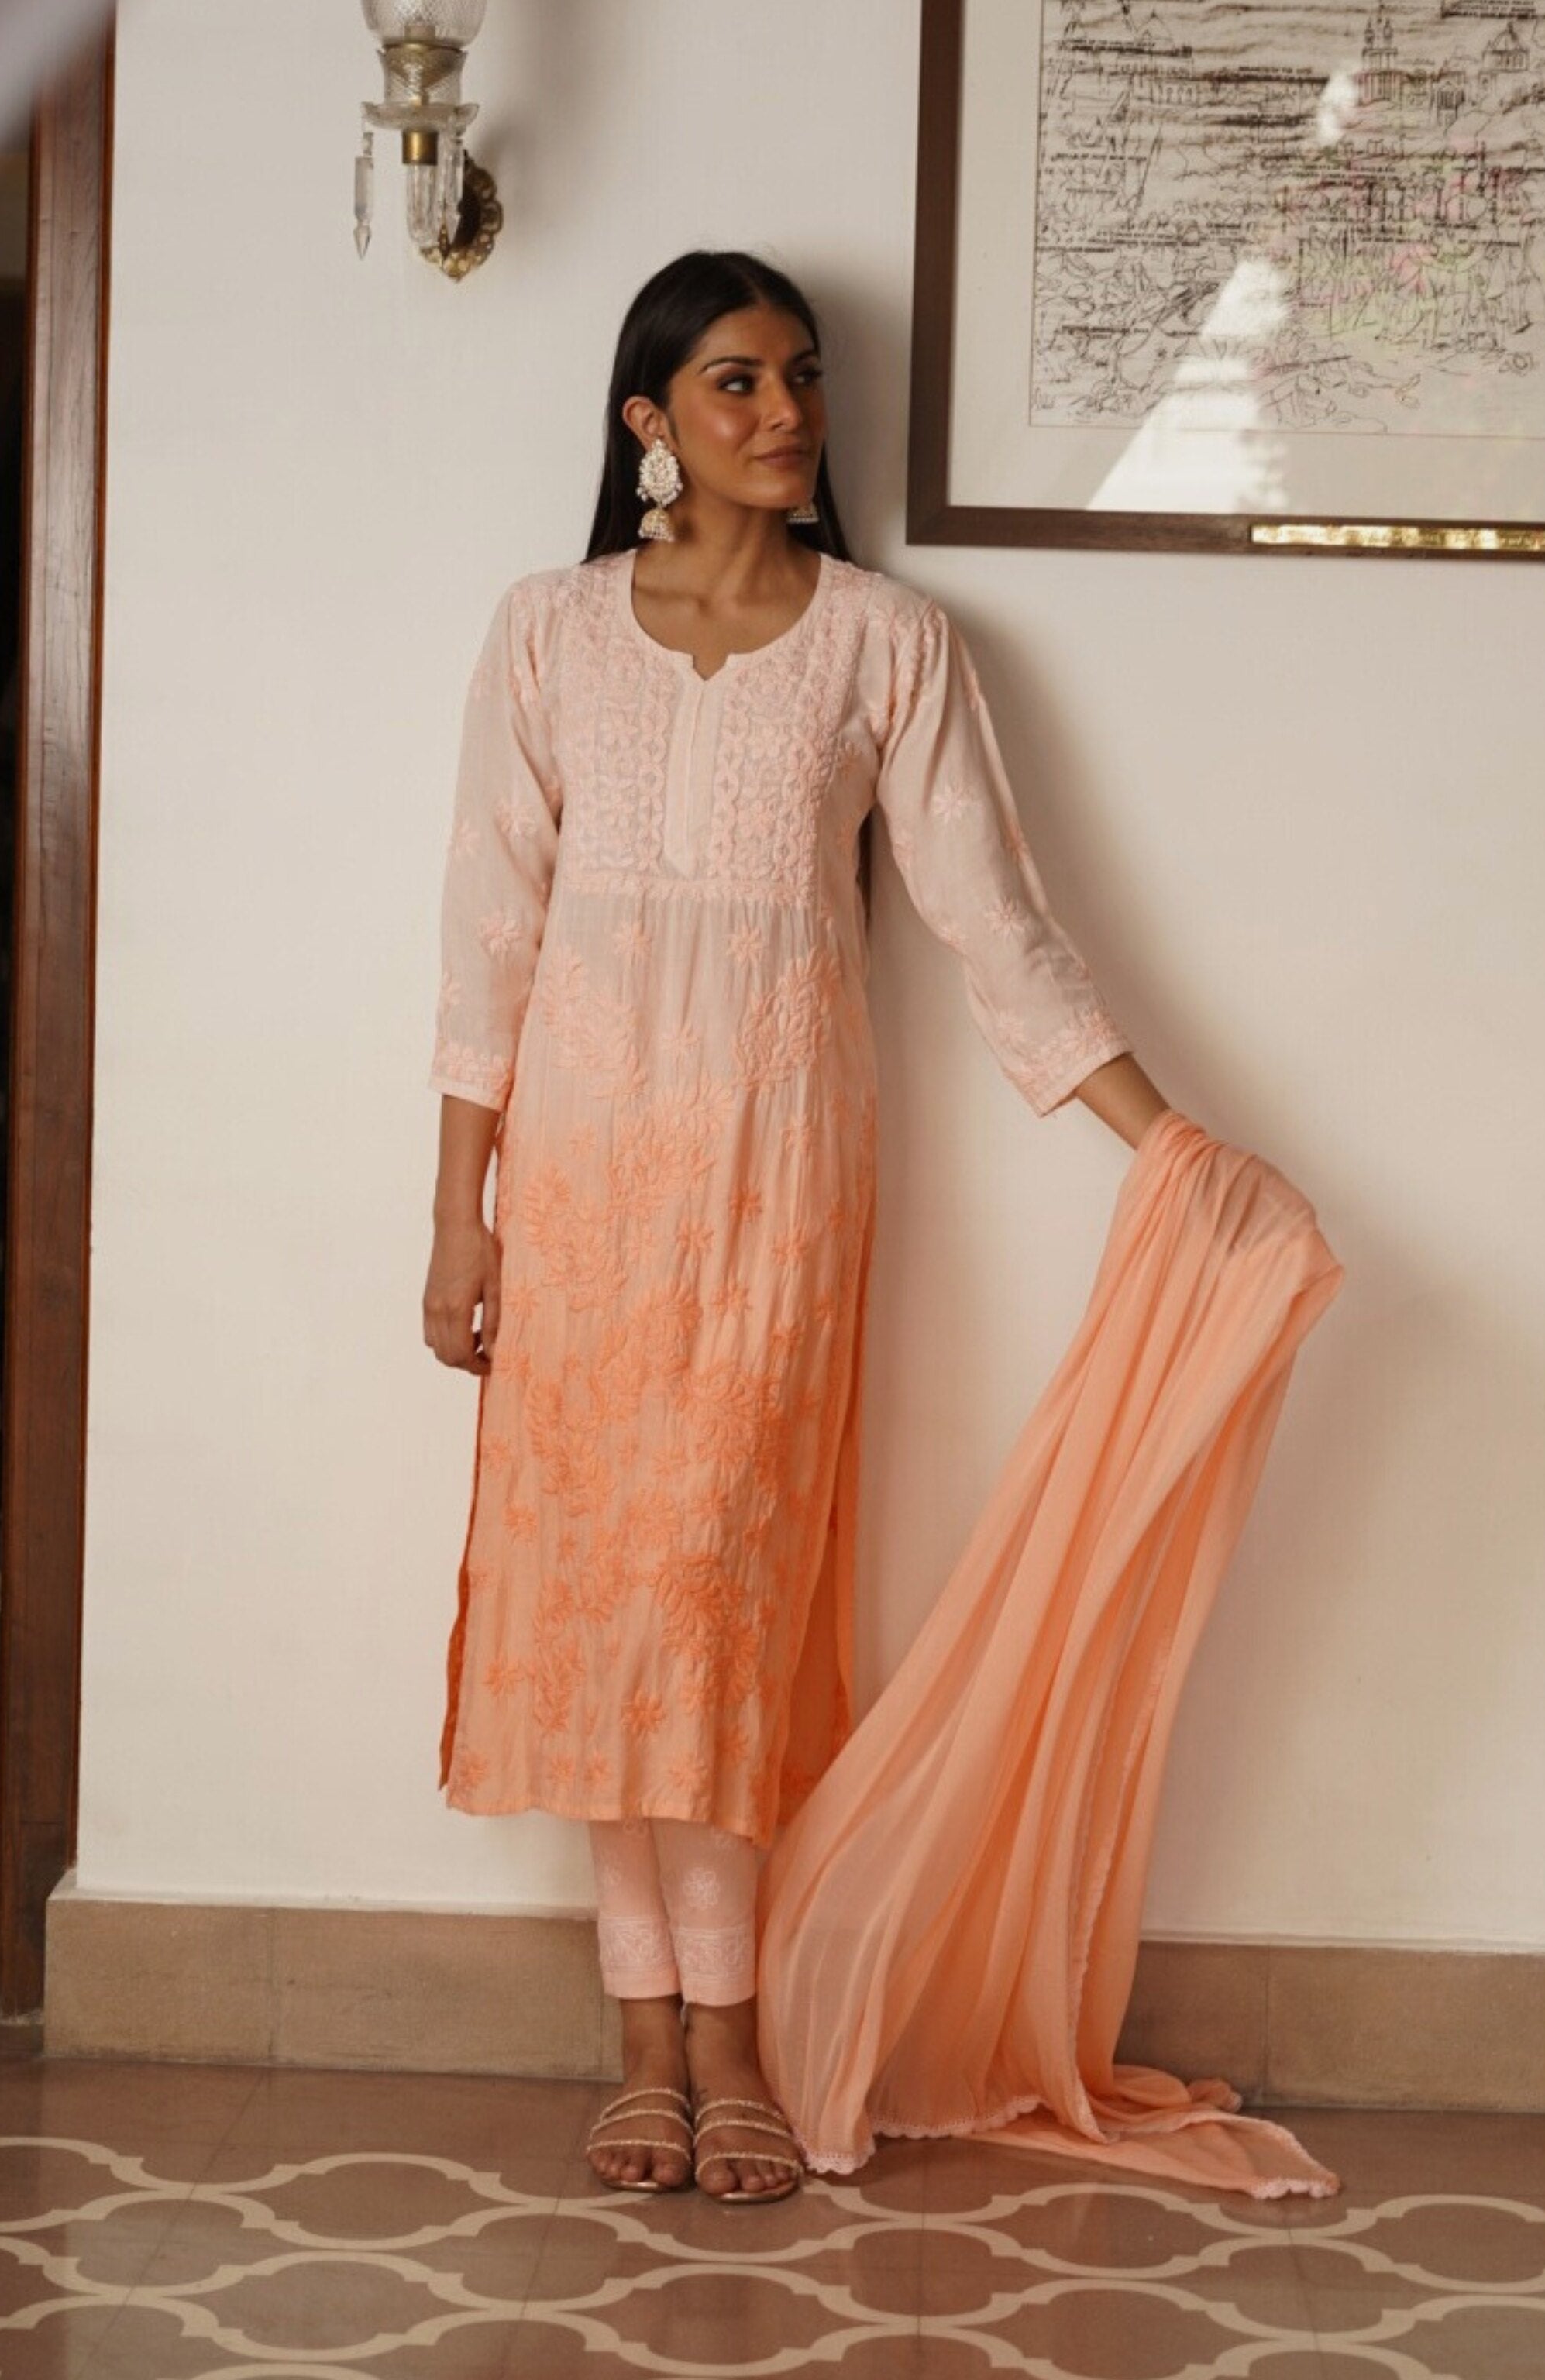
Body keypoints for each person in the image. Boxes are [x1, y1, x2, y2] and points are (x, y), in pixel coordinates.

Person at [422, 249, 1172, 2203]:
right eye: (737, 386)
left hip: (779, 1175)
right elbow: (485, 935)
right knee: (601, 1597)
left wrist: (1161, 1142)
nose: (787, 416)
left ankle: (736, 2046)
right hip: (580, 1185)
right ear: (648, 425)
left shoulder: (885, 645)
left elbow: (991, 923)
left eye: (805, 381)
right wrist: (459, 1217)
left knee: (726, 1593)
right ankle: (640, 2046)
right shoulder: (544, 633)